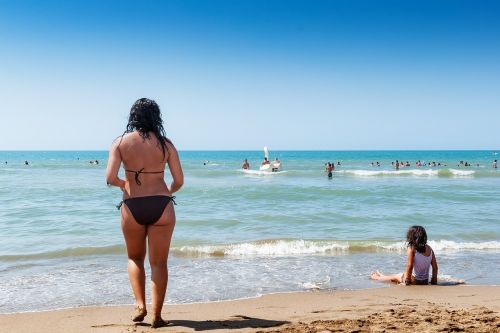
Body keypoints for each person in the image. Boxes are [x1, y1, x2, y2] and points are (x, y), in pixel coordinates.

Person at [106, 98, 183, 328]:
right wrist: (166, 191)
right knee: (159, 263)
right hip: (162, 206)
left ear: (133, 117)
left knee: (134, 258)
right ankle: (157, 316)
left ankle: (140, 305)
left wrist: (124, 185)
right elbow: (179, 180)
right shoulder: (166, 144)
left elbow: (110, 178)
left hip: (133, 206)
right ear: (155, 117)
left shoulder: (120, 143)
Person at [370, 225, 438, 285]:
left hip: (413, 280)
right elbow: (435, 267)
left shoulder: (411, 248)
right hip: (425, 281)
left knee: (396, 277)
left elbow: (410, 265)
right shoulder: (430, 249)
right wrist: (434, 281)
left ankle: (377, 277)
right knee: (398, 275)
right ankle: (382, 275)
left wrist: (407, 282)